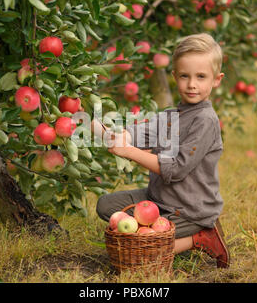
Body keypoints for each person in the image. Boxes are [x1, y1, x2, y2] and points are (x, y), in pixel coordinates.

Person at [92, 33, 230, 268]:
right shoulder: (171, 115)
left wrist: (129, 151)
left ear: (216, 80)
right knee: (106, 206)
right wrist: (110, 133)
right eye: (185, 76)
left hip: (189, 210)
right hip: (159, 199)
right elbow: (141, 133)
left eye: (201, 77)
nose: (192, 84)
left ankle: (201, 236)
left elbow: (175, 169)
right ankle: (156, 231)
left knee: (145, 250)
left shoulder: (205, 120)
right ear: (175, 76)